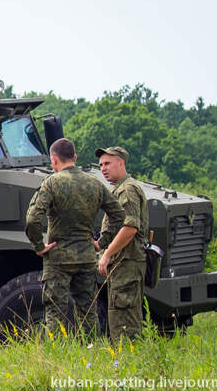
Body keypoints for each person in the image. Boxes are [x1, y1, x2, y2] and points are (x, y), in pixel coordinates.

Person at [25, 138, 125, 337]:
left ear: (54, 160)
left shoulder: (51, 183)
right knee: (88, 311)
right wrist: (101, 243)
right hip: (86, 257)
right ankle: (91, 352)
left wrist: (39, 246)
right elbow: (119, 215)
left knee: (55, 311)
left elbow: (32, 219)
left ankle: (54, 353)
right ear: (75, 157)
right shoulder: (94, 183)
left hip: (57, 257)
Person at [94, 146, 148, 341]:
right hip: (123, 263)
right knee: (118, 316)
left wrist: (107, 254)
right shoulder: (119, 189)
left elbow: (130, 227)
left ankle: (129, 362)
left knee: (125, 321)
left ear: (121, 163)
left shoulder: (127, 189)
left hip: (128, 263)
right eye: (101, 165)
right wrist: (99, 245)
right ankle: (124, 360)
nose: (103, 168)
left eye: (107, 163)